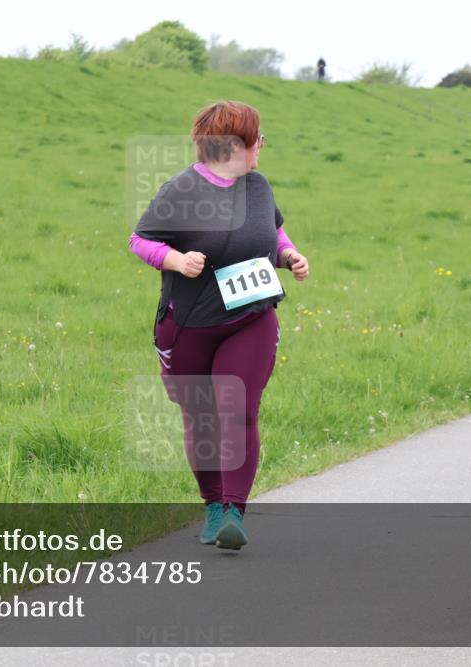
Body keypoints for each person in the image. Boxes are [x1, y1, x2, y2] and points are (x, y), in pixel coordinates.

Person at [129, 101, 309, 550]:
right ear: (235, 146)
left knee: (239, 408)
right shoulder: (181, 190)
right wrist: (174, 259)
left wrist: (288, 255)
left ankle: (233, 511)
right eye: (258, 140)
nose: (261, 147)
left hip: (251, 316)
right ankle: (212, 505)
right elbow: (140, 239)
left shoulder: (258, 186)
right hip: (190, 324)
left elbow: (274, 230)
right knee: (201, 416)